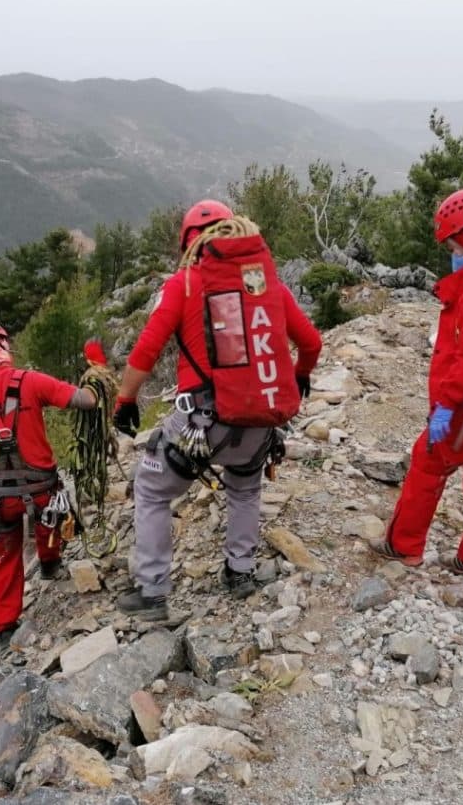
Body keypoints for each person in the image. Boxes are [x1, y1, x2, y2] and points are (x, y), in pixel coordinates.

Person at [112, 200, 323, 621]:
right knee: (244, 489)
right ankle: (239, 572)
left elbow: (147, 349)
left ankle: (153, 592)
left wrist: (125, 400)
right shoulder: (267, 286)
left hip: (198, 425)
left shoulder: (185, 284)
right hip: (256, 424)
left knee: (151, 490)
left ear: (189, 242)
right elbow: (312, 343)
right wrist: (300, 376)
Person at [370, 189, 463, 578]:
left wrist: (445, 406)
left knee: (427, 463)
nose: (452, 251)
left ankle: (404, 547)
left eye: (453, 243)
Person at [0, 319, 101, 649]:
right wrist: (97, 366)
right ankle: (51, 563)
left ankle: (5, 627)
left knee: (4, 554)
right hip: (42, 489)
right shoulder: (33, 381)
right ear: (5, 346)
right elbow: (86, 401)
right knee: (49, 518)